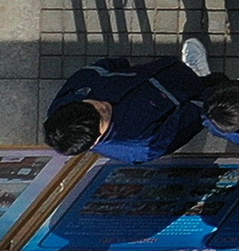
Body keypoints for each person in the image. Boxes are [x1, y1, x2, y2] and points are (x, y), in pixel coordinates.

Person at [41, 38, 215, 163]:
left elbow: (92, 72)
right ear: (94, 141)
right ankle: (205, 78)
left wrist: (119, 64)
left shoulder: (62, 109)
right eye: (102, 116)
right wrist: (210, 97)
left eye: (90, 104)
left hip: (158, 71)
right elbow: (188, 121)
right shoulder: (140, 145)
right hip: (192, 93)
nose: (103, 105)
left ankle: (190, 70)